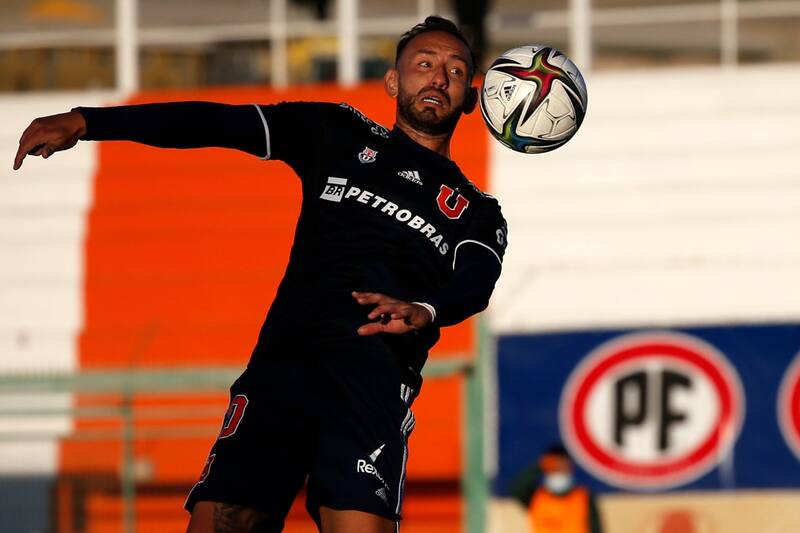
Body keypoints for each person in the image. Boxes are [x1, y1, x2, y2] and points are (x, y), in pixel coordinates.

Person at [13, 15, 507, 533]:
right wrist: (89, 121)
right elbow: (217, 123)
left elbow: (475, 281)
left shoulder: (477, 210)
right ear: (392, 81)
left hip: (372, 385)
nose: (438, 78)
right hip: (284, 369)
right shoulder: (336, 131)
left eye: (454, 71)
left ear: (471, 99)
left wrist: (426, 310)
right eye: (424, 64)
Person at [509, 444, 603, 533]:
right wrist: (540, 467)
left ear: (570, 467)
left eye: (563, 465)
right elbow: (515, 488)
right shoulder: (536, 498)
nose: (559, 470)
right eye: (554, 466)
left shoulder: (584, 498)